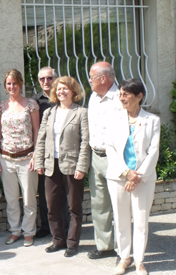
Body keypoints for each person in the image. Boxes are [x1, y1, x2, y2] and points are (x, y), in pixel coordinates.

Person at [105, 78, 160, 275]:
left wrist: (137, 176)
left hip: (143, 179)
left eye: (126, 94)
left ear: (139, 96)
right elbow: (109, 148)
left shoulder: (152, 120)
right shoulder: (114, 118)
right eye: (121, 94)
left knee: (141, 220)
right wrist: (126, 172)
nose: (122, 98)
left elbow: (153, 152)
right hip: (118, 177)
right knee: (120, 219)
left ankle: (139, 260)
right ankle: (124, 257)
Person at [34, 76, 90, 257]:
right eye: (58, 89)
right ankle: (58, 240)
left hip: (72, 166)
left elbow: (85, 142)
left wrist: (82, 166)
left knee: (74, 207)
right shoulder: (49, 113)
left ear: (73, 91)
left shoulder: (81, 112)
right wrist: (40, 162)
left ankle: (72, 243)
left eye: (65, 88)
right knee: (52, 205)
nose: (61, 92)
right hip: (51, 164)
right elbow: (41, 139)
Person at [0, 69, 39, 247]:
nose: (12, 86)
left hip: (27, 157)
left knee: (29, 198)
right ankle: (15, 231)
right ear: (5, 86)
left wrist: (36, 154)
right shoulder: (1, 107)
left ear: (20, 84)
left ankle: (28, 232)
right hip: (6, 158)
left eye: (14, 83)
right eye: (9, 83)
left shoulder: (31, 105)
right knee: (11, 199)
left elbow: (37, 131)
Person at [87, 62, 123, 260]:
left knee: (118, 205)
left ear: (103, 78)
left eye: (91, 77)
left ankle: (122, 248)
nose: (89, 80)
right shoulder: (93, 98)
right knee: (99, 203)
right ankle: (104, 246)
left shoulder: (121, 99)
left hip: (114, 158)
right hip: (96, 156)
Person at [31, 67, 69, 239]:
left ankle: (65, 228)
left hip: (65, 153)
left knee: (65, 194)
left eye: (49, 78)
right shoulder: (35, 102)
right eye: (42, 79)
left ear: (56, 78)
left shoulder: (65, 98)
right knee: (45, 192)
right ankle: (46, 227)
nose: (46, 82)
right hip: (45, 155)